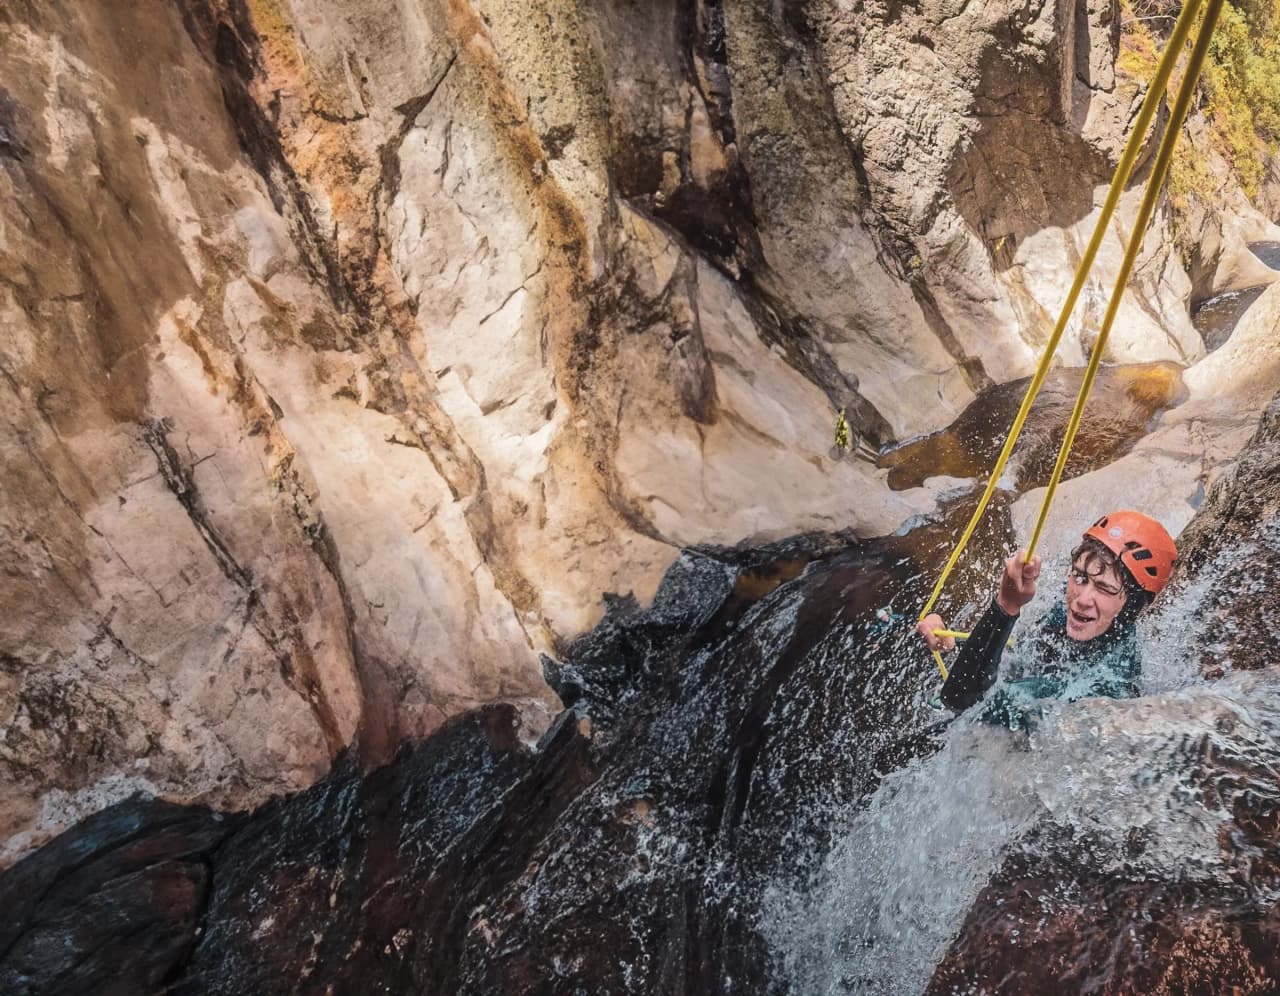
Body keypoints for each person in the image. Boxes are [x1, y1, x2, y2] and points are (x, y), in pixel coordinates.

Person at [918, 510, 1177, 730]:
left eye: (1105, 589)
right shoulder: (1069, 617)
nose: (1083, 599)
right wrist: (954, 644)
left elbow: (963, 702)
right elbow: (1018, 659)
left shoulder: (1109, 687)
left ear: (1131, 607)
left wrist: (1005, 606)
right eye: (1080, 577)